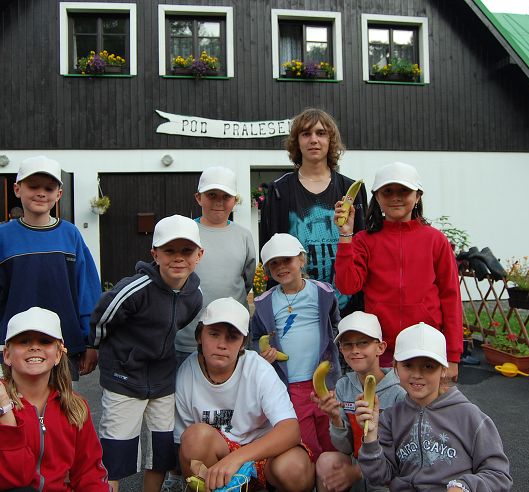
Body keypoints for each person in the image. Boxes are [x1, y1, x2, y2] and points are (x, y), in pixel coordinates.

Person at [0, 156, 101, 380]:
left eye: (48, 188)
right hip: (17, 344)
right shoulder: (2, 237)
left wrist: (91, 342)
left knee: (63, 402)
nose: (41, 193)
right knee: (18, 403)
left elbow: (87, 290)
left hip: (63, 344)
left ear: (59, 194)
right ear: (17, 189)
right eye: (33, 186)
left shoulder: (70, 234)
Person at [89, 214, 203, 492]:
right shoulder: (135, 289)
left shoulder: (194, 295)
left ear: (199, 255)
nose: (178, 258)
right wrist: (95, 347)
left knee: (161, 452)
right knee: (116, 450)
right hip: (124, 376)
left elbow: (178, 323)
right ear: (155, 254)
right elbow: (103, 317)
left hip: (162, 379)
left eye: (187, 251)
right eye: (169, 250)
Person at [334, 161, 463, 381]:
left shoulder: (436, 240)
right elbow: (347, 286)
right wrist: (346, 235)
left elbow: (451, 297)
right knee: (384, 404)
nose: (395, 197)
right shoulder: (364, 240)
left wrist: (452, 355)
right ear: (377, 197)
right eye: (387, 191)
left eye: (404, 191)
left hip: (426, 346)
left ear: (418, 196)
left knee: (425, 403)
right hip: (381, 349)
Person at [0, 307, 109, 491]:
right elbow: (9, 479)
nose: (34, 347)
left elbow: (89, 472)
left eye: (45, 341)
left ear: (58, 354)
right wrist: (4, 408)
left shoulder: (75, 405)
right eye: (23, 341)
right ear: (7, 354)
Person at [176, 297, 314, 492]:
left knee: (294, 468)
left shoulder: (258, 368)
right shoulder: (186, 373)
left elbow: (290, 429)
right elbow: (183, 445)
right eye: (214, 334)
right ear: (200, 336)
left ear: (243, 343)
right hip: (219, 461)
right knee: (193, 438)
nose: (222, 344)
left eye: (232, 337)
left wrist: (237, 458)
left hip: (264, 457)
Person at [355, 322, 512, 491]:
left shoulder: (470, 417)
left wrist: (464, 486)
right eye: (408, 365)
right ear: (395, 368)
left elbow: (499, 475)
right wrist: (371, 436)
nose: (417, 374)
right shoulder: (390, 418)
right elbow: (379, 476)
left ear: (443, 370)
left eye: (428, 366)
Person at [259, 108, 368, 315]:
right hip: (294, 307)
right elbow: (269, 253)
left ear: (331, 140)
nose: (314, 140)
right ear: (297, 141)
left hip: (347, 307)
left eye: (321, 133)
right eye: (306, 134)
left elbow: (364, 251)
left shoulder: (351, 190)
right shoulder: (279, 191)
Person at [251, 232, 341, 462]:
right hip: (290, 385)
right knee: (305, 441)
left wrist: (331, 353)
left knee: (331, 436)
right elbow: (255, 337)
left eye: (287, 260)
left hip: (324, 380)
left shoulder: (323, 292)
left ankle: (330, 475)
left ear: (302, 259)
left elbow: (334, 324)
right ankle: (310, 476)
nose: (281, 267)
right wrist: (263, 352)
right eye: (274, 263)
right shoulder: (265, 302)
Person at [312, 311, 406, 492]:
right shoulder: (343, 386)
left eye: (363, 343)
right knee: (325, 461)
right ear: (341, 350)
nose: (355, 350)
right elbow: (345, 448)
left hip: (389, 474)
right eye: (347, 344)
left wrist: (358, 472)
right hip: (356, 463)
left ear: (380, 347)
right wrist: (335, 419)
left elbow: (404, 452)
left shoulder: (399, 392)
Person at [175, 166, 256, 366]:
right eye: (211, 195)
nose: (219, 202)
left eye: (226, 196)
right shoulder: (185, 233)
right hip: (187, 338)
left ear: (235, 200)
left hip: (232, 337)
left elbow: (247, 280)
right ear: (198, 198)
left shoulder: (243, 236)